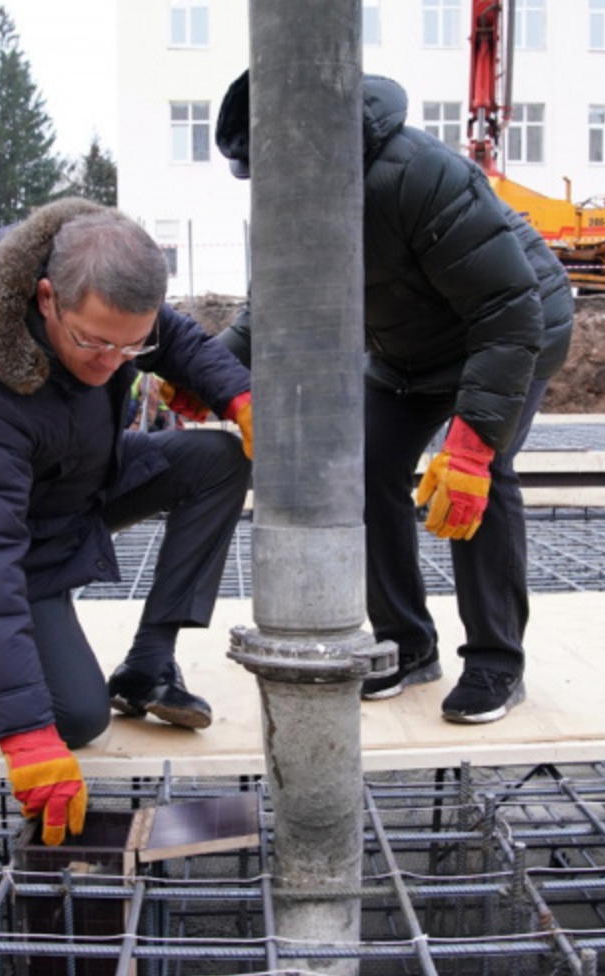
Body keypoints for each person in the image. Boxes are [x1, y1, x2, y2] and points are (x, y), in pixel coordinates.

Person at [213, 71, 572, 726]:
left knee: (477, 479)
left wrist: (471, 446)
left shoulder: (419, 174)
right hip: (409, 354)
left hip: (511, 330)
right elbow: (270, 309)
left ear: (308, 147)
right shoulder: (297, 199)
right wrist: (205, 373)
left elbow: (507, 309)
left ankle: (496, 661)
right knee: (369, 468)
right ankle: (407, 644)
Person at [0, 198, 253, 845]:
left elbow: (174, 338)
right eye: (94, 342)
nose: (113, 361)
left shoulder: (107, 301)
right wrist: (26, 736)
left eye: (131, 345)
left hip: (85, 475)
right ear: (46, 299)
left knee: (219, 461)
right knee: (76, 719)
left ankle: (149, 664)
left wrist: (241, 397)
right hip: (10, 531)